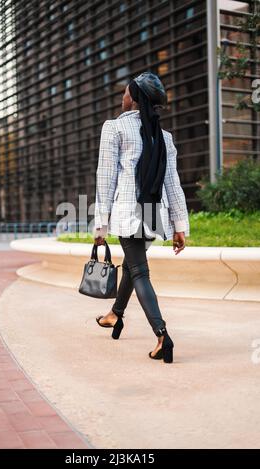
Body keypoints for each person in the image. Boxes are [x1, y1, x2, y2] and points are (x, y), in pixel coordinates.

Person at [93, 71, 190, 363]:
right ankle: (115, 315)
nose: (122, 96)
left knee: (139, 271)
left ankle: (162, 336)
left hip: (128, 212)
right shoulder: (164, 137)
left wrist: (100, 223)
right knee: (133, 267)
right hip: (152, 214)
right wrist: (179, 226)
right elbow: (173, 184)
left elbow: (106, 178)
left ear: (134, 98)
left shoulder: (114, 128)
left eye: (126, 92)